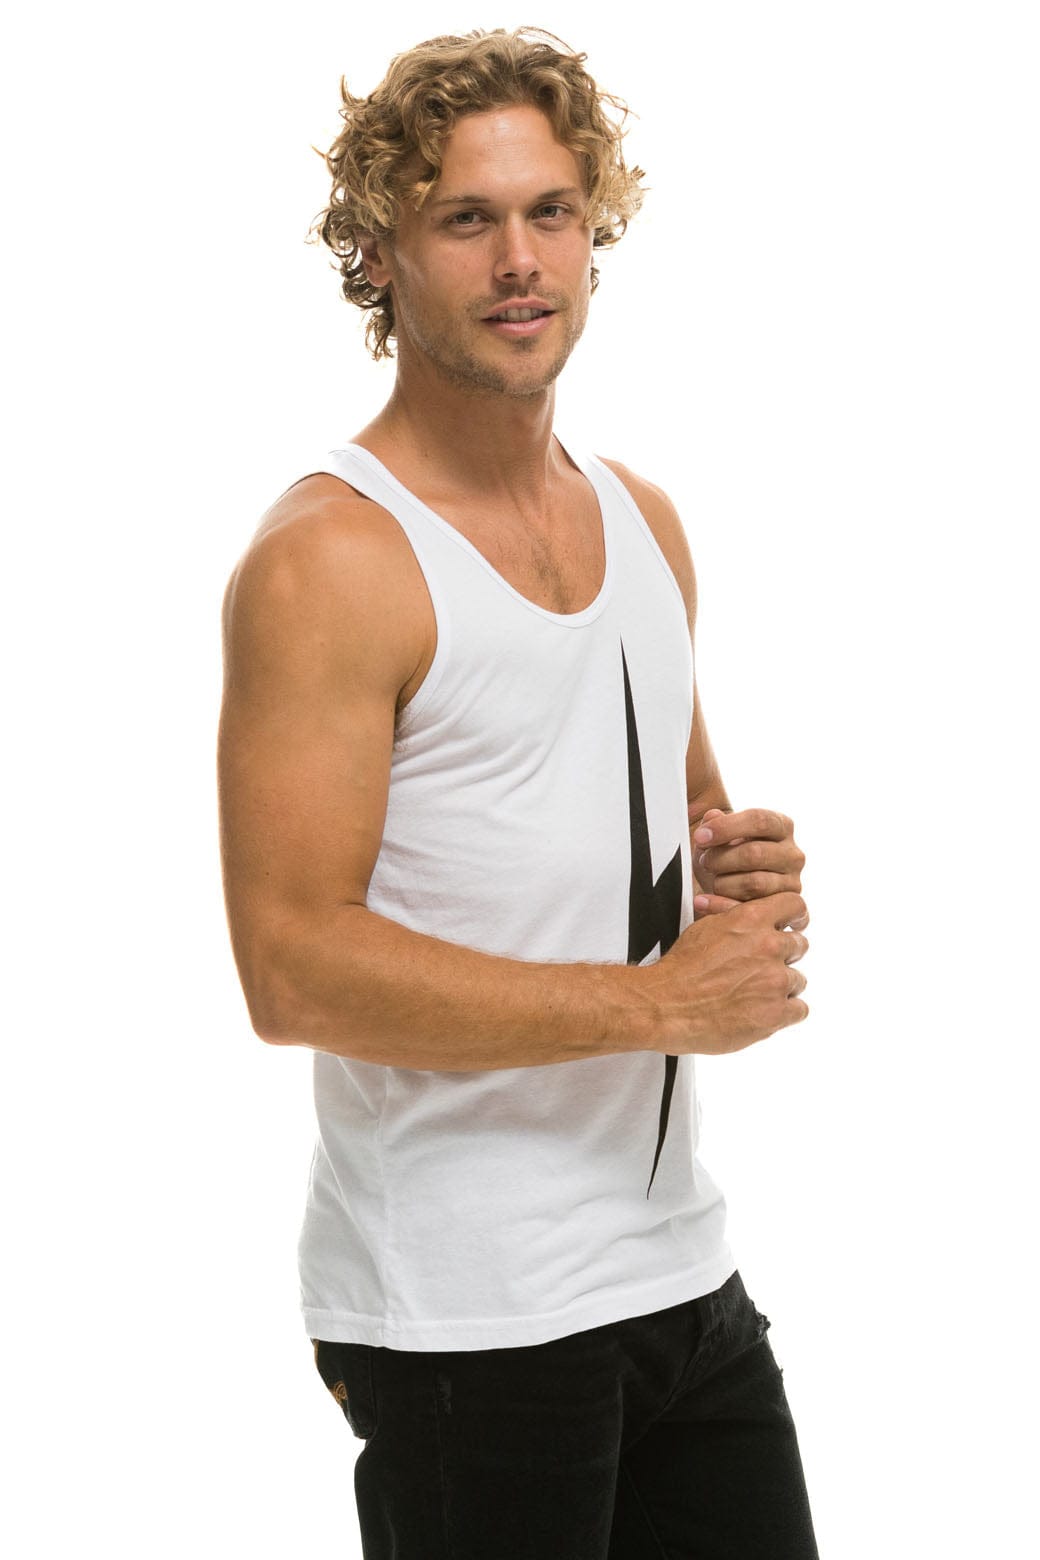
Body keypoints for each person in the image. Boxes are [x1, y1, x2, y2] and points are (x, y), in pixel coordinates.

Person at [217, 25, 819, 1559]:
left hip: (679, 1274)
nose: (519, 260)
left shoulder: (644, 522)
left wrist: (741, 880)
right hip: (466, 1318)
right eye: (465, 219)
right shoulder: (331, 561)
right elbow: (289, 969)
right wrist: (659, 1005)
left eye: (552, 211)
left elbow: (682, 823)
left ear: (594, 229)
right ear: (379, 253)